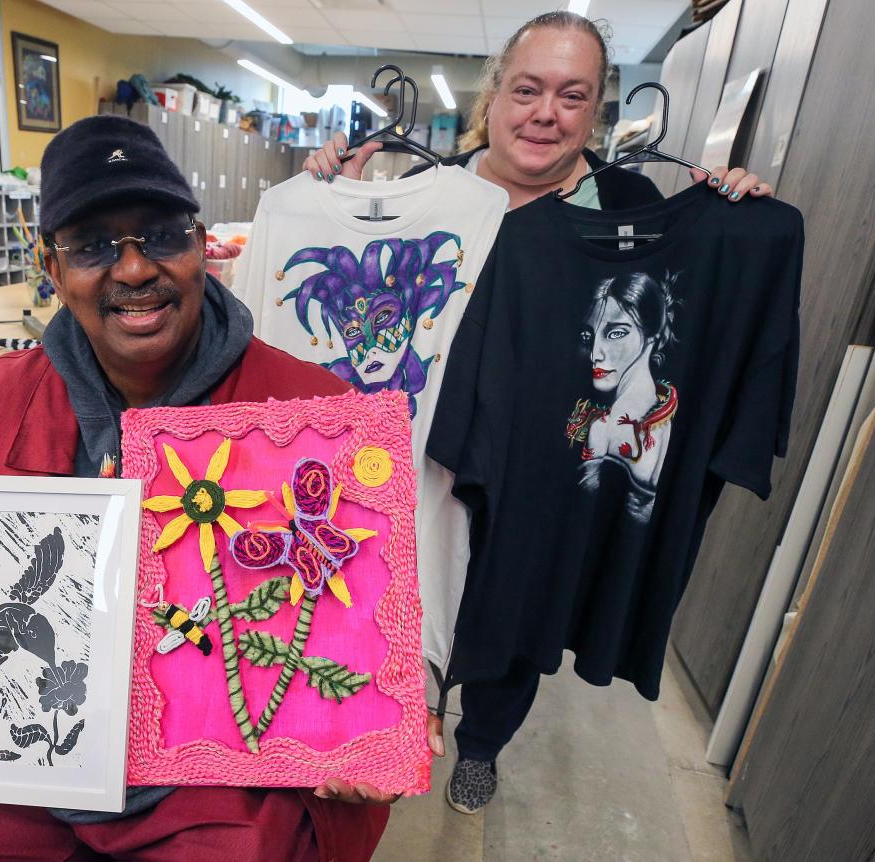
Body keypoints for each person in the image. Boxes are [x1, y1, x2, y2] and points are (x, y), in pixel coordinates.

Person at [0, 115, 405, 861]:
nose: (133, 270)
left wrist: (371, 727)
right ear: (53, 267)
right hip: (15, 769)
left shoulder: (313, 417)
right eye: (93, 245)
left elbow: (367, 614)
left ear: (201, 247)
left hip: (216, 788)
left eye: (161, 235)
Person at [301, 11, 772, 815]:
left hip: (550, 459)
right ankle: (393, 718)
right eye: (527, 89)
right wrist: (323, 192)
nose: (545, 113)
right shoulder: (430, 193)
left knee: (518, 611)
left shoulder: (625, 201)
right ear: (495, 96)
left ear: (596, 113)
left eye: (572, 95)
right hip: (426, 454)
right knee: (404, 596)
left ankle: (482, 741)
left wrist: (737, 205)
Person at [567, 272, 679, 523]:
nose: (595, 354)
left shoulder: (605, 428)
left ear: (653, 334)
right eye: (589, 336)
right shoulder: (605, 425)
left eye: (615, 333)